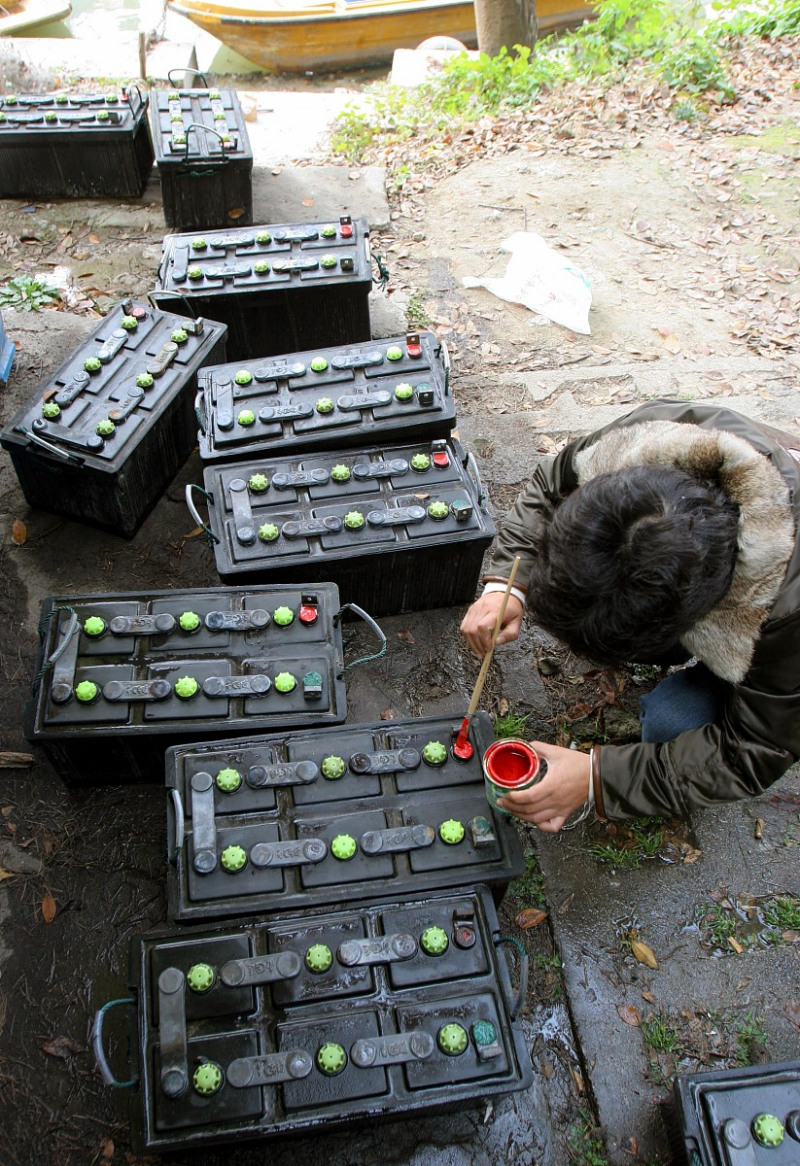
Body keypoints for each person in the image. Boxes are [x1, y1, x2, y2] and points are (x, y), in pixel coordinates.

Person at [460, 400, 800, 832]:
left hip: (777, 636)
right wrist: (509, 584)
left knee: (671, 722)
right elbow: (551, 483)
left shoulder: (786, 617)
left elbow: (754, 750)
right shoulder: (653, 440)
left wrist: (597, 779)